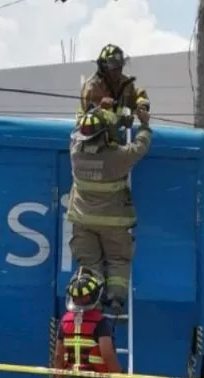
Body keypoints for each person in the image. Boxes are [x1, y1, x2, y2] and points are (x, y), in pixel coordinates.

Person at [66, 106, 153, 315]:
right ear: (105, 134)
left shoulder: (75, 151)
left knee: (90, 263)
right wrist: (145, 126)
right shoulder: (117, 157)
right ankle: (116, 300)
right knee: (117, 261)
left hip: (82, 220)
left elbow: (78, 128)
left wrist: (93, 111)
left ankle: (92, 304)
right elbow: (140, 147)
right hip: (114, 222)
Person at [77, 43, 150, 131]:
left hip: (113, 133)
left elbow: (138, 94)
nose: (118, 72)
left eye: (120, 67)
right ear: (103, 67)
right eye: (113, 68)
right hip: (90, 133)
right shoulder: (91, 87)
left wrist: (142, 107)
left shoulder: (124, 83)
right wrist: (100, 107)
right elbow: (90, 119)